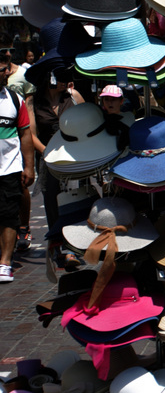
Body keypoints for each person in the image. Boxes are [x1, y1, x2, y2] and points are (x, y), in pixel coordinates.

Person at [31, 68, 84, 271]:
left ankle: (71, 247)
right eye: (60, 78)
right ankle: (57, 243)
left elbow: (88, 122)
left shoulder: (73, 96)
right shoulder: (34, 101)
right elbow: (31, 134)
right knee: (52, 200)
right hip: (48, 159)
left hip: (73, 157)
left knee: (72, 199)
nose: (65, 82)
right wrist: (49, 153)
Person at [0, 52, 35, 283]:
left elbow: (25, 134)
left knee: (9, 215)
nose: (7, 72)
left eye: (7, 68)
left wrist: (29, 166)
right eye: (2, 69)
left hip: (8, 168)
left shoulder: (14, 100)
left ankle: (4, 263)